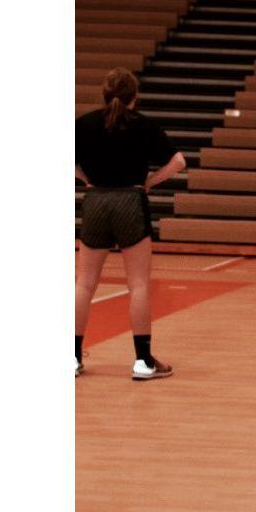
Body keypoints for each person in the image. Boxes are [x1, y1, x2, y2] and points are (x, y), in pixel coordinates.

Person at [74, 68, 186, 380]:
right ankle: (142, 361)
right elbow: (179, 161)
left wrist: (87, 180)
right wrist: (149, 182)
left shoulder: (85, 123)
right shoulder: (144, 125)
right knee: (137, 285)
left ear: (104, 94)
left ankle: (71, 358)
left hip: (96, 201)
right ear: (135, 96)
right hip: (130, 201)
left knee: (83, 284)